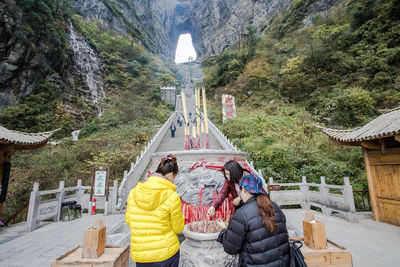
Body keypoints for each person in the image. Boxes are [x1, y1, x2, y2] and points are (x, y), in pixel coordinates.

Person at [216, 174, 290, 267]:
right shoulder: (274, 206)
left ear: (244, 190)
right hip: (282, 262)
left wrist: (224, 230)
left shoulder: (242, 213)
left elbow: (231, 249)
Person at [125, 155, 185, 266]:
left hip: (141, 253)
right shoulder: (172, 196)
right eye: (174, 178)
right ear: (171, 175)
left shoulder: (134, 193)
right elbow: (178, 228)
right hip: (166, 253)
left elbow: (129, 220)